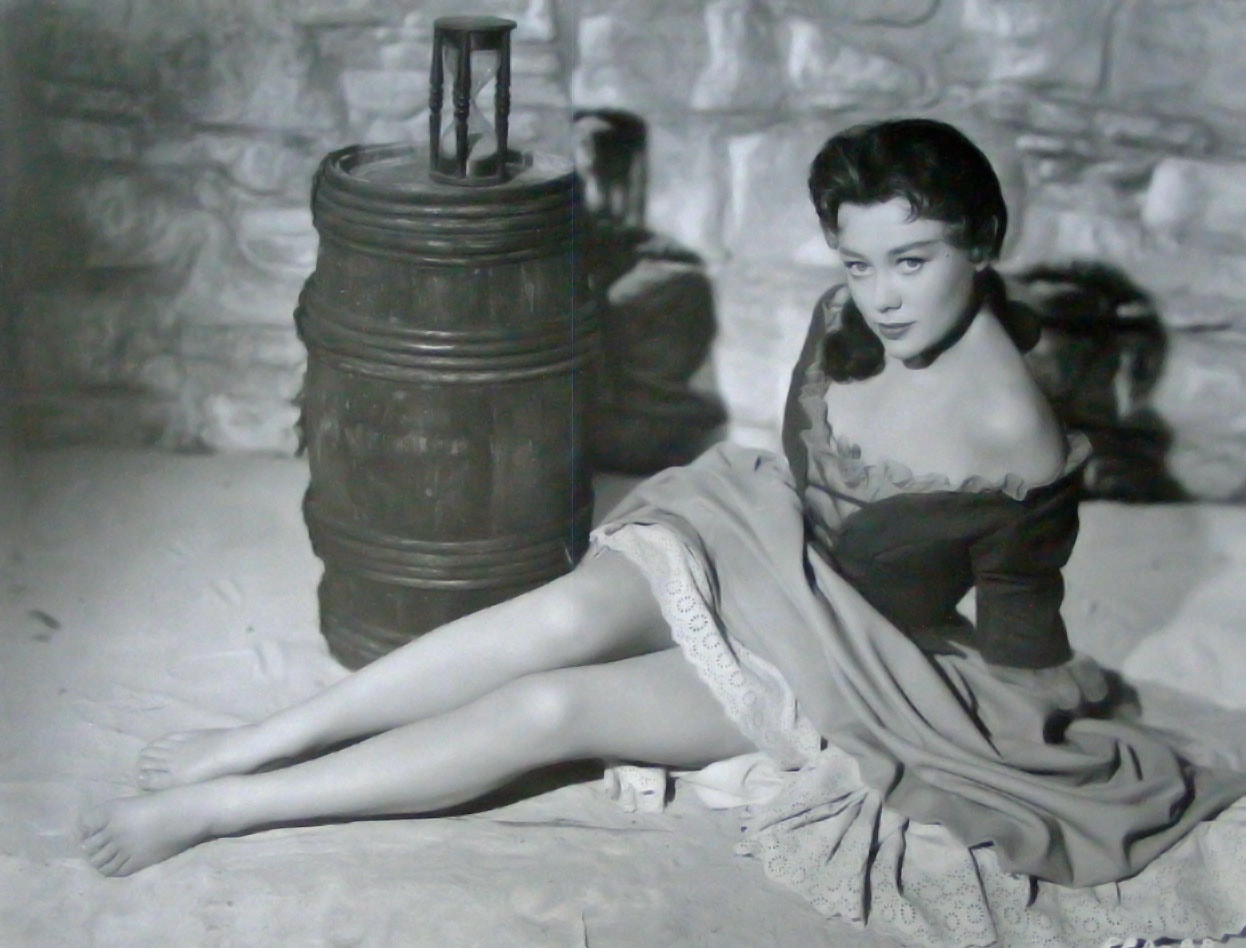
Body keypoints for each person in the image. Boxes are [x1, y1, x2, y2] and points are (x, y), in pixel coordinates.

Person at [81, 119, 1246, 945]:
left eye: (913, 260)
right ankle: (257, 741)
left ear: (980, 243)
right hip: (757, 532)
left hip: (847, 652)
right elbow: (805, 459)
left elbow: (1023, 625)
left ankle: (222, 807)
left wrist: (1027, 731)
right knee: (557, 616)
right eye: (858, 261)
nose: (884, 295)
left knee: (554, 709)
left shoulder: (1016, 440)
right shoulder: (848, 315)